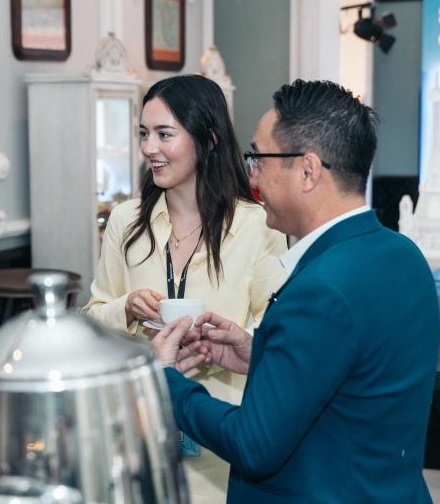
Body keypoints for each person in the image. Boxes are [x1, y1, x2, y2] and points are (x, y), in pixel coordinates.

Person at [152, 80, 440, 503]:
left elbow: (253, 446)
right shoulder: (404, 256)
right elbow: (359, 384)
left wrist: (167, 383)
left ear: (308, 171)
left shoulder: (321, 290)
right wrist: (263, 359)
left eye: (258, 158)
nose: (251, 177)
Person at [82, 74, 288, 503]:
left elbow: (276, 333)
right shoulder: (125, 221)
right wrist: (126, 307)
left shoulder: (256, 225)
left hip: (220, 427)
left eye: (164, 134)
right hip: (137, 428)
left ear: (208, 139)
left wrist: (234, 340)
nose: (148, 148)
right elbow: (90, 321)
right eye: (143, 134)